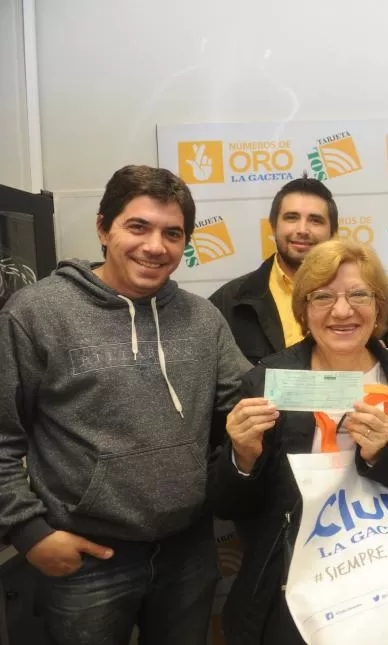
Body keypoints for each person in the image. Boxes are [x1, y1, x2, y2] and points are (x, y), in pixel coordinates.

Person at [0, 165, 249, 645]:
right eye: (138, 227)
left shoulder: (203, 319)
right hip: (86, 560)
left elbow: (248, 403)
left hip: (188, 553)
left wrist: (344, 373)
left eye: (172, 233)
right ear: (103, 227)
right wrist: (28, 532)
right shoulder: (36, 313)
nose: (155, 246)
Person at [208, 239, 388, 645]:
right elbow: (229, 505)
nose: (343, 311)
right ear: (304, 310)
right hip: (301, 585)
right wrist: (242, 457)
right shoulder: (268, 381)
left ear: (379, 307)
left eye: (359, 295)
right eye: (323, 296)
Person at [210, 174, 388, 363]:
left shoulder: (378, 307)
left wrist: (386, 365)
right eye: (291, 217)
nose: (302, 230)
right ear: (273, 226)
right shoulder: (227, 304)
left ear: (333, 232)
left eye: (315, 220)